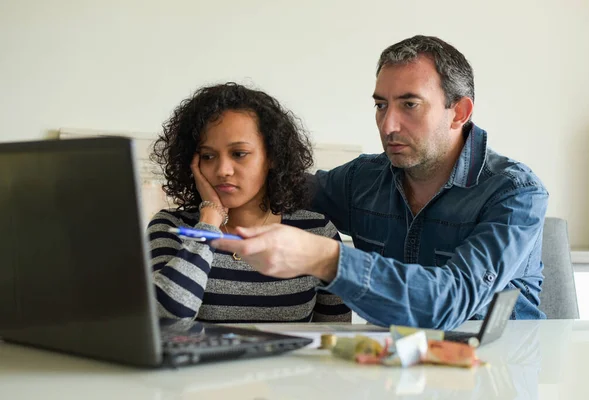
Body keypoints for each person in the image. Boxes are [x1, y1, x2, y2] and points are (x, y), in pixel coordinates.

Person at [212, 35, 549, 329]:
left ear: (459, 112)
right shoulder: (362, 180)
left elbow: (451, 300)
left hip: (498, 374)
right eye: (380, 105)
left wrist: (326, 258)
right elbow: (281, 183)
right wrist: (221, 167)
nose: (387, 125)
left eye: (410, 105)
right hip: (395, 373)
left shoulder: (515, 193)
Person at [147, 82, 351, 323]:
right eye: (208, 156)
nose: (223, 170)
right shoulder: (170, 227)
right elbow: (167, 318)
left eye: (239, 154)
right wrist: (210, 221)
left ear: (272, 157)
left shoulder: (316, 232)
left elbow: (334, 337)